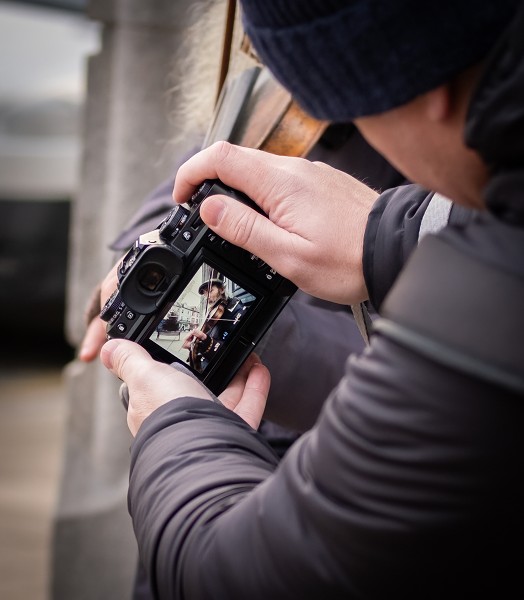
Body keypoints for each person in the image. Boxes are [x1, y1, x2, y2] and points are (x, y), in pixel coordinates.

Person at [100, 1, 524, 597]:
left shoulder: (487, 296)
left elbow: (234, 577)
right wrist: (387, 232)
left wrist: (173, 423)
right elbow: (203, 161)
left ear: (416, 77)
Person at [181, 277, 247, 372]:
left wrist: (206, 341)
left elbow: (234, 353)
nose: (207, 296)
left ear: (222, 289)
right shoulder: (212, 315)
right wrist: (194, 346)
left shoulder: (238, 310)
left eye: (210, 291)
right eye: (205, 293)